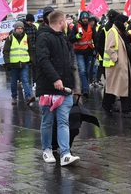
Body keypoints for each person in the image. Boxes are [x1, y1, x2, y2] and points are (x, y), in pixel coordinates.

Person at [36, 10, 80, 167]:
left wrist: (72, 86)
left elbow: (68, 64)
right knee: (47, 120)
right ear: (60, 21)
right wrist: (55, 79)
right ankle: (47, 149)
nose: (68, 23)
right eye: (66, 20)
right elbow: (43, 60)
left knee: (63, 121)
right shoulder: (43, 37)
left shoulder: (62, 37)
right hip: (48, 87)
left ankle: (65, 154)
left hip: (64, 88)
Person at [102, 14, 131, 117]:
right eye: (125, 22)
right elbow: (109, 48)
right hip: (116, 65)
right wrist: (116, 60)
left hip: (120, 64)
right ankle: (123, 109)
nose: (126, 24)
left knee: (117, 88)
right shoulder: (113, 32)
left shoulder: (119, 31)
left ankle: (113, 107)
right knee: (118, 88)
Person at [3, 21, 35, 105]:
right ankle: (14, 97)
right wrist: (7, 63)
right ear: (15, 29)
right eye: (18, 28)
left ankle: (28, 97)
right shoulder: (10, 38)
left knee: (25, 80)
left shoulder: (26, 37)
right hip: (13, 64)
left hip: (24, 63)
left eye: (21, 28)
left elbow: (31, 49)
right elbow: (6, 51)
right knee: (13, 82)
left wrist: (31, 60)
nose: (20, 30)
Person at [69, 11, 96, 97]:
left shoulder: (91, 27)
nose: (85, 20)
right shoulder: (76, 27)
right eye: (83, 18)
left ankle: (85, 85)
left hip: (89, 52)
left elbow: (95, 38)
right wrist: (77, 36)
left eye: (86, 18)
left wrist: (96, 50)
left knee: (87, 71)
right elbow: (70, 39)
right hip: (79, 52)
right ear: (80, 18)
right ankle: (85, 89)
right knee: (83, 70)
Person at [23, 14, 38, 90]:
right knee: (25, 68)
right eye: (30, 21)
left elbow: (37, 37)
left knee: (34, 66)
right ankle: (25, 84)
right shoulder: (22, 28)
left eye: (32, 21)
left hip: (33, 50)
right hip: (24, 50)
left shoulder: (34, 27)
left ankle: (34, 83)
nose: (31, 23)